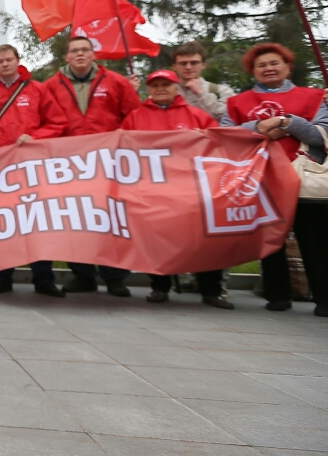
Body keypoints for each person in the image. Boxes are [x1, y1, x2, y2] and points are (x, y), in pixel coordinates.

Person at [223, 43, 328, 316]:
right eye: (262, 65)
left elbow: (320, 136)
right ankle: (277, 296)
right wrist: (259, 127)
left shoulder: (317, 97)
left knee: (316, 243)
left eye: (274, 63)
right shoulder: (236, 102)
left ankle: (324, 298)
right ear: (253, 71)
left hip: (306, 181)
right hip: (261, 180)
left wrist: (285, 122)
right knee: (270, 242)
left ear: (288, 66)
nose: (268, 68)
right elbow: (224, 135)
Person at [121, 70, 230, 307]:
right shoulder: (135, 117)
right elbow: (122, 151)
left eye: (166, 84)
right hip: (152, 190)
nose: (160, 89)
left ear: (176, 88)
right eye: (155, 85)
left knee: (203, 241)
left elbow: (216, 146)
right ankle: (159, 287)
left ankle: (210, 290)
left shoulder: (197, 115)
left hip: (192, 191)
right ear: (149, 89)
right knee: (156, 239)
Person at [0, 44, 68, 297]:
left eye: (8, 59)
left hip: (32, 169)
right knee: (2, 224)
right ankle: (2, 278)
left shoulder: (37, 90)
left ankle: (43, 279)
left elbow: (57, 122)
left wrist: (36, 137)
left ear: (17, 60)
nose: (4, 64)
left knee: (37, 224)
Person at [46, 36, 141, 297]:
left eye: (85, 50)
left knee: (112, 220)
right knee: (76, 220)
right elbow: (44, 120)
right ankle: (83, 275)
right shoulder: (51, 86)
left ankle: (115, 277)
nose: (79, 54)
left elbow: (135, 118)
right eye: (74, 50)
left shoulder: (117, 83)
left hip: (110, 163)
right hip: (69, 165)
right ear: (66, 57)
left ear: (93, 55)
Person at [173, 41, 235, 122]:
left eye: (194, 63)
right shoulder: (164, 91)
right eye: (183, 63)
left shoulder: (221, 91)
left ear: (203, 65)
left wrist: (201, 93)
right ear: (174, 66)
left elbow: (228, 120)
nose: (188, 67)